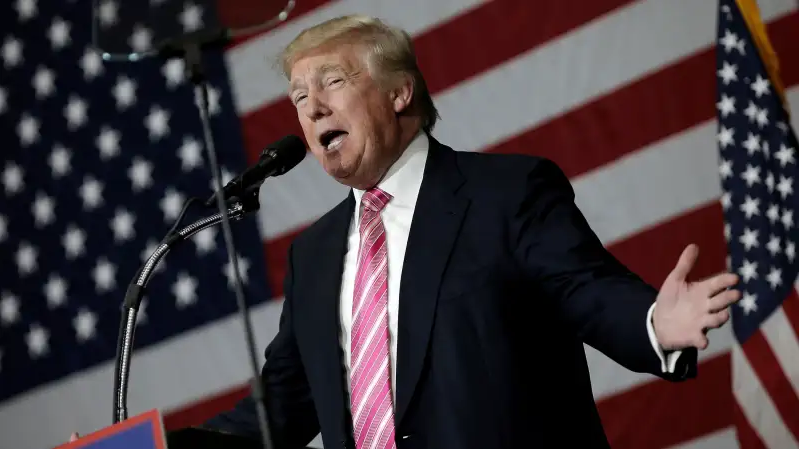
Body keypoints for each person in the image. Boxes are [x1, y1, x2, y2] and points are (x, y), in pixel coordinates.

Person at [74, 14, 740, 449]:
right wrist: (155, 448)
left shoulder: (504, 193)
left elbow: (586, 289)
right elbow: (274, 413)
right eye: (300, 100)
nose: (312, 110)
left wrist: (654, 320)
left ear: (399, 92)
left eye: (332, 82)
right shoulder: (315, 256)